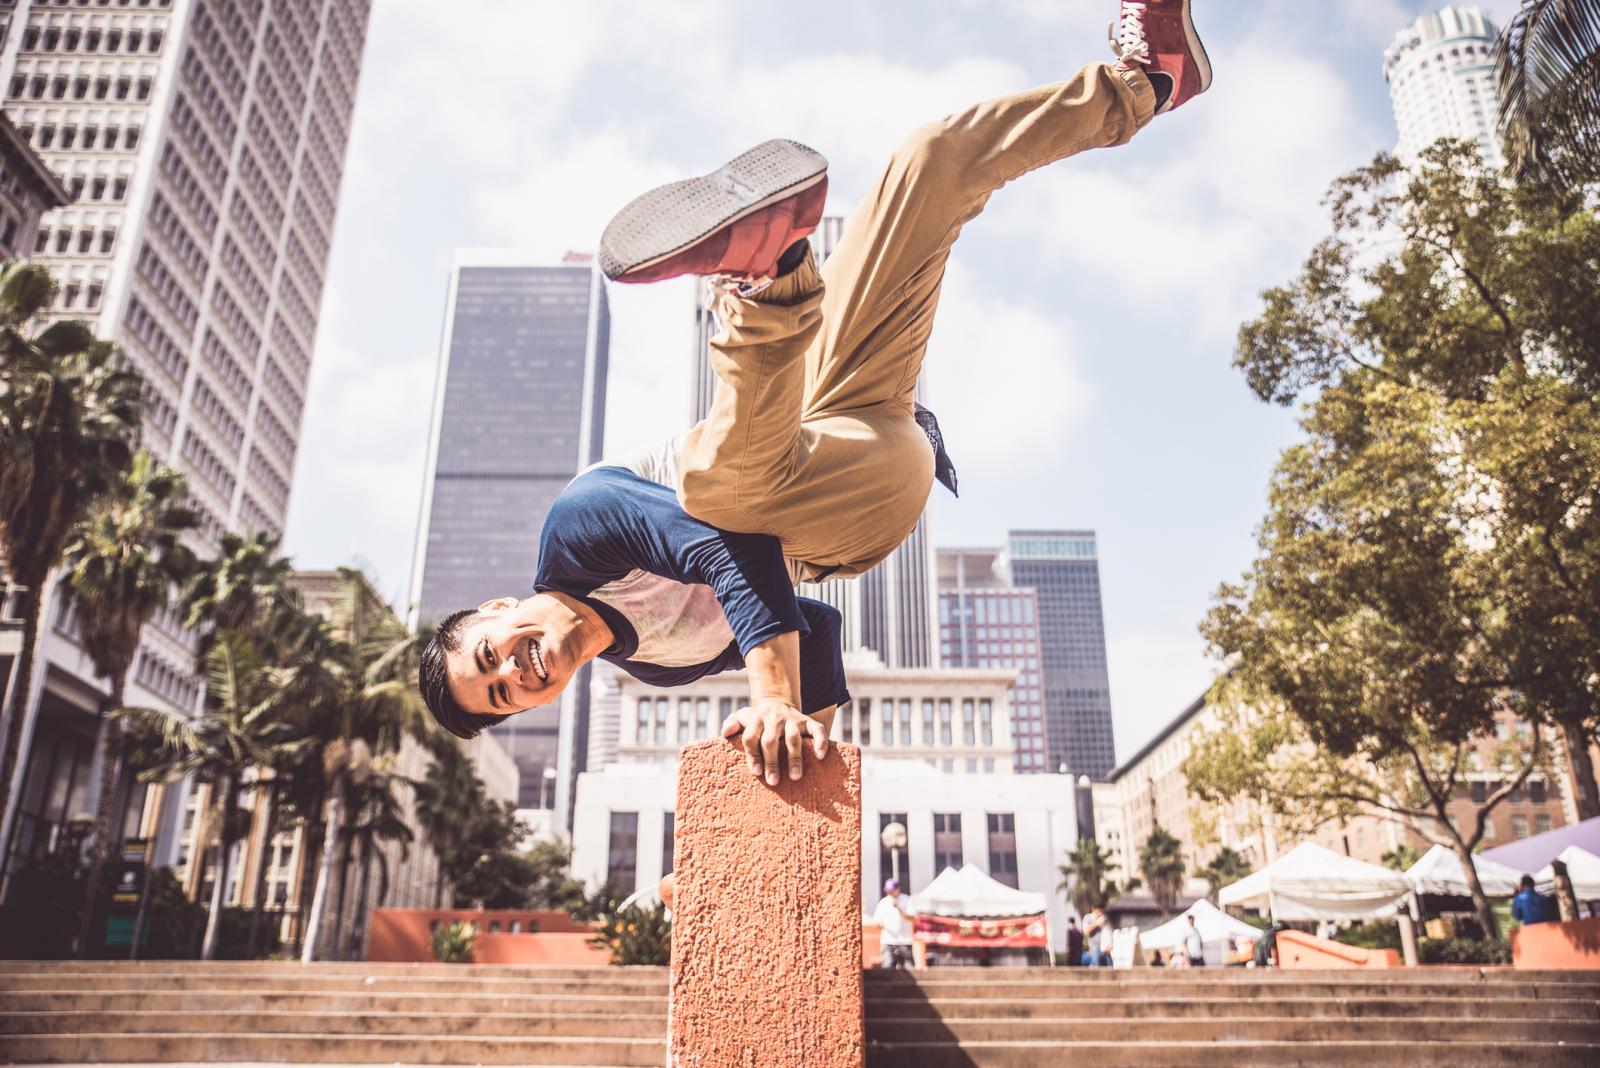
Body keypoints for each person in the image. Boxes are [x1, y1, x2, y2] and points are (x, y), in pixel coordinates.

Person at [416, 1, 1214, 790]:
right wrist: (794, 772)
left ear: (495, 608)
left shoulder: (579, 531)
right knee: (726, 495)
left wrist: (773, 697)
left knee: (929, 163)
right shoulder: (655, 665)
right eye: (502, 697)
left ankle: (1147, 84)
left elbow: (750, 574)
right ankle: (769, 276)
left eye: (490, 655)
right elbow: (795, 604)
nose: (513, 672)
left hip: (836, 415)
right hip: (855, 509)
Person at [874, 879, 916, 969]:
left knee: (908, 967)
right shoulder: (883, 902)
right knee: (887, 967)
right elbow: (877, 922)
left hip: (905, 940)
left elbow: (912, 917)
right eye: (888, 891)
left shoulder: (907, 900)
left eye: (892, 891)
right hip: (888, 941)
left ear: (898, 889)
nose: (890, 893)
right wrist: (882, 925)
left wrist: (898, 908)